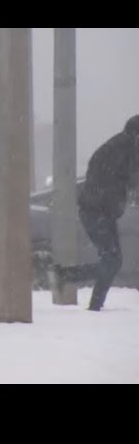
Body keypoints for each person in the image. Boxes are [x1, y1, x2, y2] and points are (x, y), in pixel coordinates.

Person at [52, 115, 139, 311]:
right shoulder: (123, 149)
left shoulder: (121, 147)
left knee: (112, 260)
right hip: (96, 211)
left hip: (99, 211)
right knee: (112, 259)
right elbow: (129, 178)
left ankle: (69, 279)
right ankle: (87, 298)